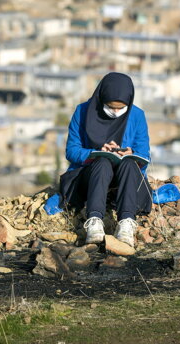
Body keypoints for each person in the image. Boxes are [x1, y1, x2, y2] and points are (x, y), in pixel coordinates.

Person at [59, 72, 151, 247]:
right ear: (101, 99)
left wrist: (131, 152)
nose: (116, 112)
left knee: (129, 164)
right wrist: (95, 152)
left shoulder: (137, 116)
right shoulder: (83, 112)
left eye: (121, 108)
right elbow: (71, 150)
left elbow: (145, 154)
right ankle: (94, 221)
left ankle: (126, 223)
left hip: (126, 178)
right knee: (102, 162)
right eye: (111, 107)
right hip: (91, 175)